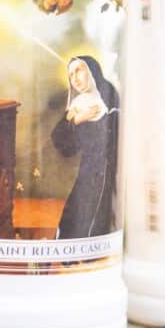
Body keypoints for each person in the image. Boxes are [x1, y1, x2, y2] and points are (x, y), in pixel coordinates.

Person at [51, 55, 120, 239]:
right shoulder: (77, 105)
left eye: (79, 71)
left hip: (113, 170)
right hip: (89, 170)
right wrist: (77, 120)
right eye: (71, 74)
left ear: (91, 71)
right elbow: (63, 144)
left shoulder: (110, 95)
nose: (75, 78)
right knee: (78, 211)